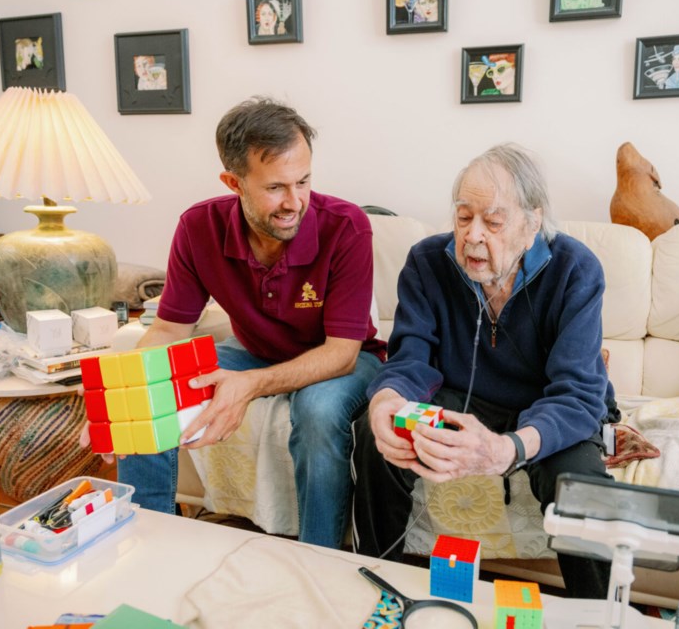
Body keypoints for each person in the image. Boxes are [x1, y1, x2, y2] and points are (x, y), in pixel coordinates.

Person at [80, 97, 386, 550]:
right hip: (254, 352)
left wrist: (252, 385)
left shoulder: (347, 227)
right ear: (233, 182)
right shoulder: (198, 227)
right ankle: (146, 544)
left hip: (344, 358)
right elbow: (167, 331)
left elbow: (341, 351)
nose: (294, 202)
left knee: (319, 412)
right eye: (276, 187)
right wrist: (117, 397)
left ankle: (320, 558)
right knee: (153, 386)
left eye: (303, 182)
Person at [351, 143, 618, 599]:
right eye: (463, 216)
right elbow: (411, 358)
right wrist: (384, 404)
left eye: (493, 222)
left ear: (532, 225)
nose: (473, 235)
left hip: (547, 407)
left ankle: (595, 614)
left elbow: (578, 394)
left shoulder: (576, 269)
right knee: (376, 440)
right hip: (460, 398)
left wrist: (508, 449)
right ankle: (378, 590)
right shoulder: (427, 262)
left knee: (581, 490)